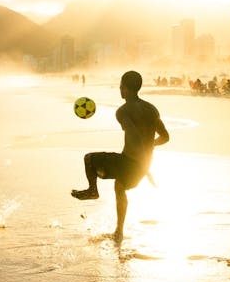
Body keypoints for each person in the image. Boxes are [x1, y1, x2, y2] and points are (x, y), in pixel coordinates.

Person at [71, 70, 169, 240]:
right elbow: (165, 137)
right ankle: (119, 232)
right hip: (141, 164)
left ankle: (92, 190)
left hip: (131, 162)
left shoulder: (123, 111)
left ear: (124, 88)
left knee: (89, 159)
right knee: (120, 187)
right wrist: (147, 157)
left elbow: (134, 136)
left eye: (120, 86)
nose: (119, 89)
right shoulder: (151, 109)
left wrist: (145, 166)